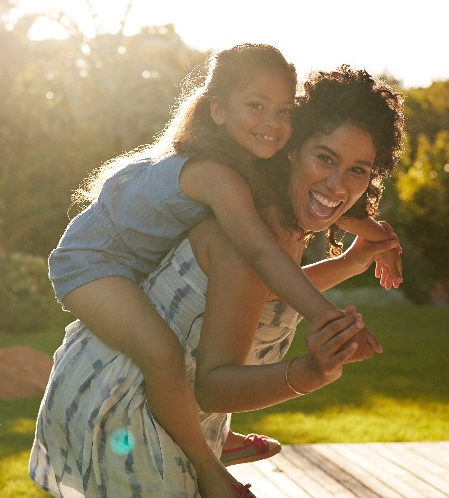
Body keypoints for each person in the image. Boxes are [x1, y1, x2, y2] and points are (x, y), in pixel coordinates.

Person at [30, 64, 406, 497]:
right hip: (131, 415)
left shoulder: (276, 221)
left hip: (164, 413)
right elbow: (214, 387)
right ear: (290, 149)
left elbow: (261, 295)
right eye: (325, 158)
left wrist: (353, 260)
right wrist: (313, 369)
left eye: (359, 170)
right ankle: (213, 466)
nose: (338, 185)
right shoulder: (247, 232)